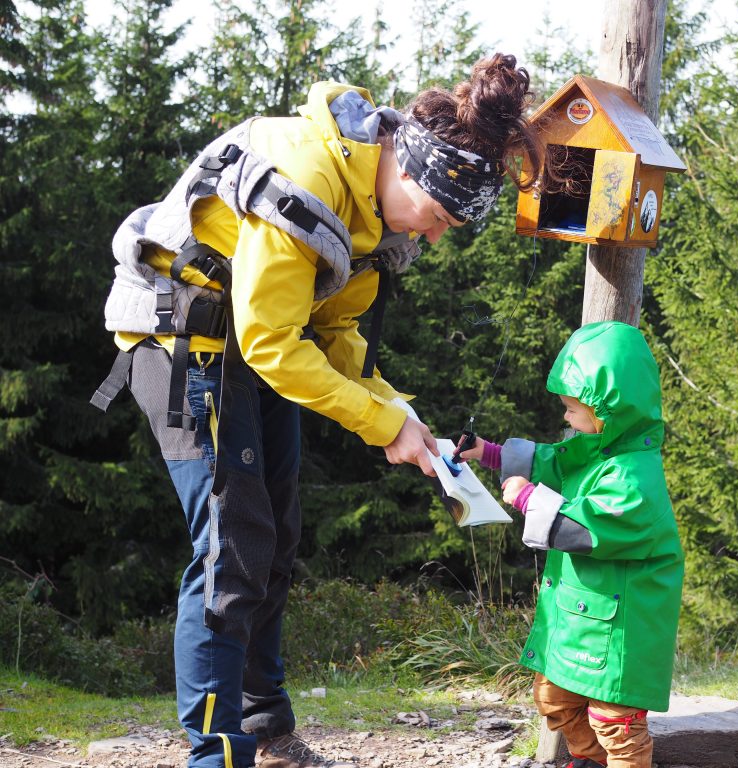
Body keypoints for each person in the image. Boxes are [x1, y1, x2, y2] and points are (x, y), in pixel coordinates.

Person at [93, 54, 544, 768]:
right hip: (178, 336)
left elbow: (333, 336)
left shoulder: (375, 215)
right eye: (433, 218)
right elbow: (276, 344)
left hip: (245, 342)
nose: (430, 238)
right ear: (404, 168)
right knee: (230, 547)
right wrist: (380, 424)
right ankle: (218, 756)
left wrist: (400, 413)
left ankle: (267, 733)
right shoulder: (309, 179)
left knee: (275, 535)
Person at [459, 321, 685, 768]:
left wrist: (527, 496)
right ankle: (588, 760)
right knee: (554, 698)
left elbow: (586, 530)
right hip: (581, 616)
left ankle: (615, 761)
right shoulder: (597, 447)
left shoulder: (635, 477)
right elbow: (553, 461)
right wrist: (487, 453)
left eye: (572, 409)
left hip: (622, 625)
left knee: (614, 721)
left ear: (609, 410)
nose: (565, 417)